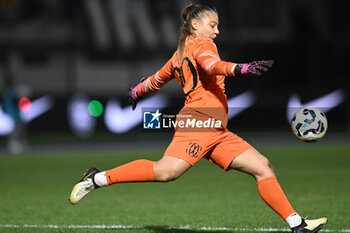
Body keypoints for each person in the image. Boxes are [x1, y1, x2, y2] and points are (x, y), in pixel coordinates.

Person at [69, 4, 327, 233]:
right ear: (195, 25)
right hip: (199, 122)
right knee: (166, 172)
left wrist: (137, 91)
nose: (216, 31)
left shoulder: (180, 53)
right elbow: (213, 65)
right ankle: (96, 178)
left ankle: (298, 225)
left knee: (263, 167)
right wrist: (241, 68)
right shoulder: (202, 45)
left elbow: (157, 79)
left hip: (216, 129)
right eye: (213, 25)